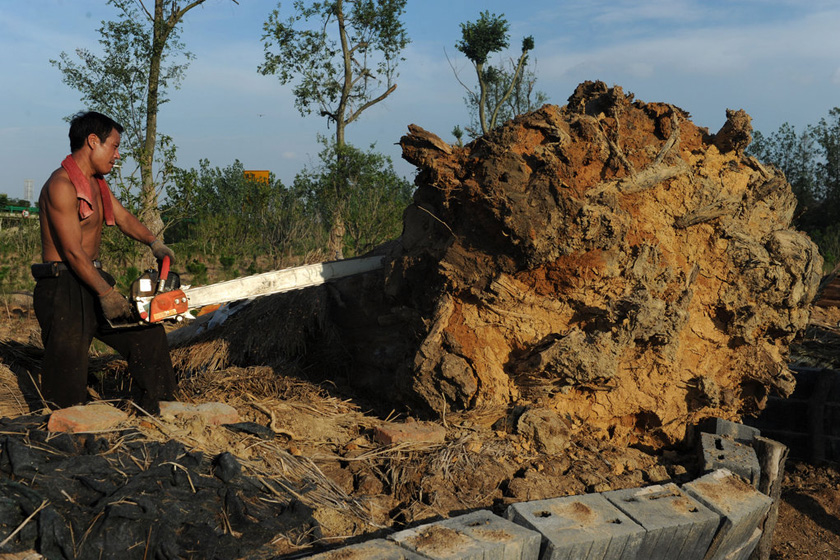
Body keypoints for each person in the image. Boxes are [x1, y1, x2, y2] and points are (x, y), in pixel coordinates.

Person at [32, 111, 177, 414]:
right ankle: (65, 426)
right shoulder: (62, 185)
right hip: (63, 286)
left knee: (146, 334)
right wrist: (106, 293)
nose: (118, 155)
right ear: (93, 141)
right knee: (69, 362)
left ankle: (160, 407)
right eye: (114, 146)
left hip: (91, 279)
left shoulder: (97, 184)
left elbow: (122, 218)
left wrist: (155, 242)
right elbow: (72, 253)